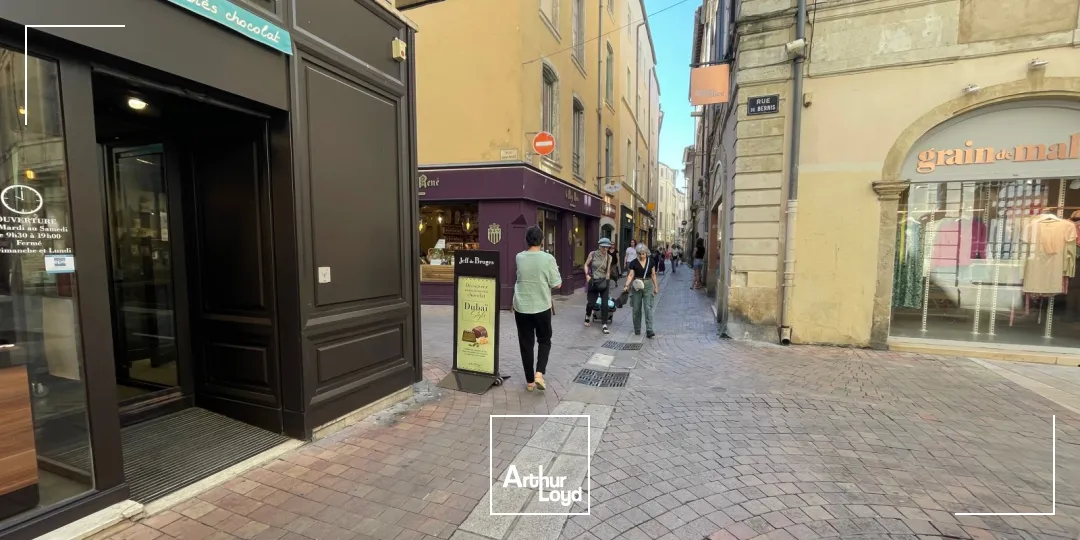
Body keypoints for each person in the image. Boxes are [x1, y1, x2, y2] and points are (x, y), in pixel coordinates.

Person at [513, 225, 562, 391]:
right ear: (542, 240)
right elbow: (557, 284)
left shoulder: (519, 257)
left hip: (521, 306)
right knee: (544, 340)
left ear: (526, 240)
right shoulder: (548, 258)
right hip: (541, 306)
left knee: (526, 343)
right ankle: (539, 374)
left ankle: (530, 382)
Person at [623, 244, 659, 338]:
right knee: (636, 309)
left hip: (648, 285)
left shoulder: (651, 261)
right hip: (637, 286)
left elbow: (653, 275)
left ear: (646, 253)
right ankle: (637, 329)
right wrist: (626, 285)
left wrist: (656, 287)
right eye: (640, 254)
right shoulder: (634, 262)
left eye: (643, 254)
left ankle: (649, 330)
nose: (642, 256)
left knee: (648, 308)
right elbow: (631, 275)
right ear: (637, 254)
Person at [584, 238, 614, 334]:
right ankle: (588, 315)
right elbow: (586, 265)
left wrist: (607, 283)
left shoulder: (609, 257)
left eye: (607, 247)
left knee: (605, 304)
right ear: (599, 246)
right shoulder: (592, 254)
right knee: (591, 303)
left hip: (604, 281)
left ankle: (604, 325)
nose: (605, 249)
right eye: (603, 247)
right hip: (593, 281)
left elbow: (608, 271)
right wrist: (587, 275)